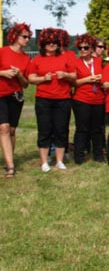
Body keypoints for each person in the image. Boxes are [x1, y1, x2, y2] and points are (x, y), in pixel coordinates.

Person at [28, 28, 76, 172]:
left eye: (55, 42)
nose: (52, 44)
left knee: (61, 129)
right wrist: (43, 78)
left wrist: (65, 75)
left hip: (63, 99)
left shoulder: (65, 57)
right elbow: (30, 78)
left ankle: (60, 161)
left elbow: (74, 75)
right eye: (48, 42)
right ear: (43, 43)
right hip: (44, 100)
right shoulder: (37, 59)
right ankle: (44, 162)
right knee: (44, 130)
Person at [0, 23, 32, 177]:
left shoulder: (26, 58)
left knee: (11, 130)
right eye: (24, 36)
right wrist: (3, 73)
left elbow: (26, 84)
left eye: (28, 37)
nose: (27, 39)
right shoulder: (3, 52)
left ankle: (9, 159)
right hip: (1, 95)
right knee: (4, 128)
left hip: (16, 96)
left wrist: (19, 75)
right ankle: (10, 166)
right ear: (15, 36)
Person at [71, 33, 105, 164]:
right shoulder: (76, 62)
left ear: (92, 48)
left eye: (86, 48)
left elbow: (107, 76)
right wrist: (88, 79)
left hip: (98, 99)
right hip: (82, 99)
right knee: (82, 128)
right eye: (80, 48)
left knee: (97, 128)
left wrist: (101, 78)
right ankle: (79, 156)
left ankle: (98, 154)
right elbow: (74, 82)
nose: (83, 50)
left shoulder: (99, 61)